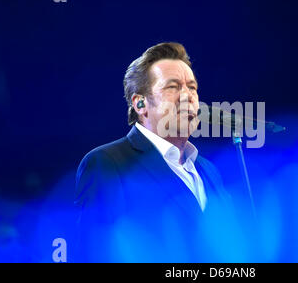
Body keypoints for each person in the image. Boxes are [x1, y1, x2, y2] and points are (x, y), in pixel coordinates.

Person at [74, 42, 233, 262]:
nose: (188, 96)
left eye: (192, 87)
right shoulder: (107, 163)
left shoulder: (208, 169)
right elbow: (92, 254)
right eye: (173, 87)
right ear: (140, 104)